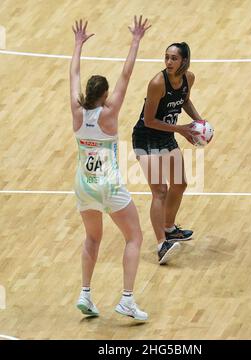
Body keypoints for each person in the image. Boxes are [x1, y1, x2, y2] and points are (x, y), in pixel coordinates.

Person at [70, 17, 151, 320]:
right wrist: (135, 41)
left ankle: (86, 294)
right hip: (109, 185)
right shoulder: (110, 112)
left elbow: (73, 75)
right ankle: (127, 299)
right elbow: (126, 75)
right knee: (134, 237)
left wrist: (77, 45)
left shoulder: (77, 111)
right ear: (104, 95)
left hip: (84, 185)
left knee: (92, 238)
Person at [132, 42, 204, 265]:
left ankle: (169, 227)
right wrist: (182, 130)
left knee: (180, 183)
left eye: (174, 58)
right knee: (160, 190)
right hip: (146, 138)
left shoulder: (188, 78)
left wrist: (199, 121)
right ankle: (162, 244)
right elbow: (150, 120)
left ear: (184, 61)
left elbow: (184, 101)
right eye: (167, 57)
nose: (169, 62)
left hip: (166, 136)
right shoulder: (157, 83)